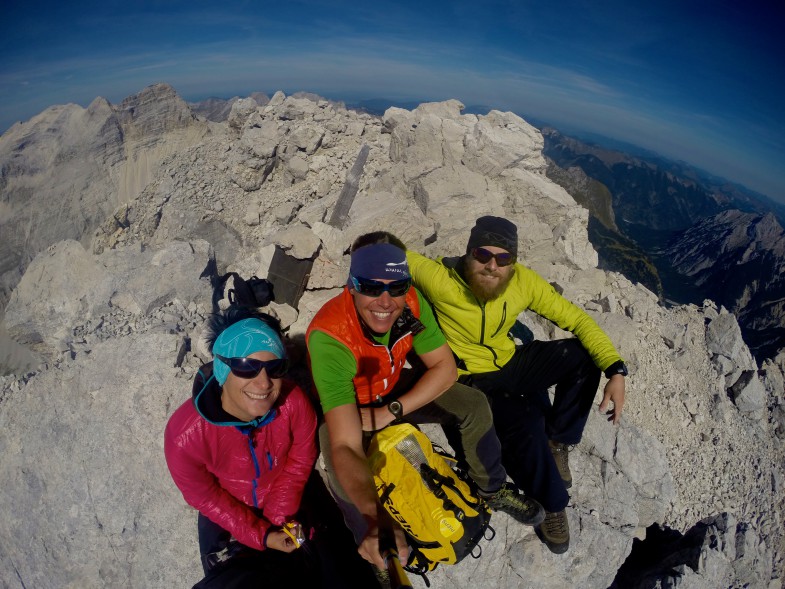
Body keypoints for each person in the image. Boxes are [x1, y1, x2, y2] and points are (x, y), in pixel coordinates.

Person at [305, 235, 544, 585]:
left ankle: (490, 488)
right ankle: (373, 543)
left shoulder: (411, 303)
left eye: (397, 286)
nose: (385, 302)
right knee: (340, 466)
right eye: (371, 287)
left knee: (473, 404)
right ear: (351, 287)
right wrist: (376, 518)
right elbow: (343, 444)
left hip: (390, 393)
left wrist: (393, 410)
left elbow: (444, 369)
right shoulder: (331, 336)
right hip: (350, 407)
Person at [406, 216, 628, 555]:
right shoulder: (439, 278)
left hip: (509, 362)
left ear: (513, 262)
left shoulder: (522, 282)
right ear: (469, 252)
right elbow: (385, 252)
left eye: (504, 258)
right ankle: (552, 505)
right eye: (483, 254)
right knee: (525, 426)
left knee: (581, 357)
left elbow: (578, 320)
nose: (492, 265)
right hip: (470, 378)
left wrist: (616, 369)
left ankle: (560, 440)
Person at [164, 307, 372, 588]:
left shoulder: (294, 402)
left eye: (274, 368)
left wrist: (278, 518)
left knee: (338, 573)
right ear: (223, 369)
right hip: (229, 508)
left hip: (287, 496)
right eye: (247, 367)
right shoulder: (185, 434)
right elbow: (203, 495)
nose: (263, 383)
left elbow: (301, 458)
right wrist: (260, 535)